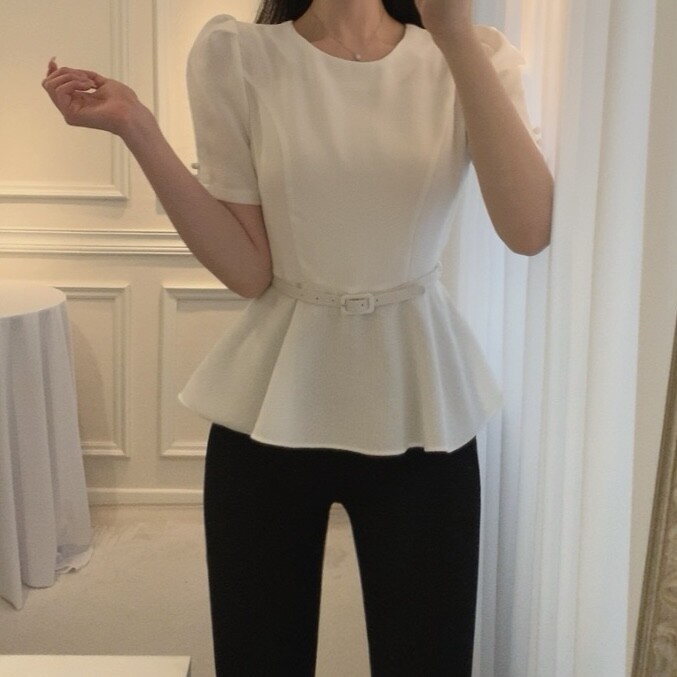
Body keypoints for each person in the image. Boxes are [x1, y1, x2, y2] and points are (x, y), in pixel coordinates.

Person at [42, 0, 552, 674]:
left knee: (428, 657)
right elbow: (249, 271)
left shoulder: (472, 55)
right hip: (271, 406)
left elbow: (527, 229)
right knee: (258, 657)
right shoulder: (238, 56)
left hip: (419, 405)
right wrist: (138, 127)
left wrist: (453, 33)